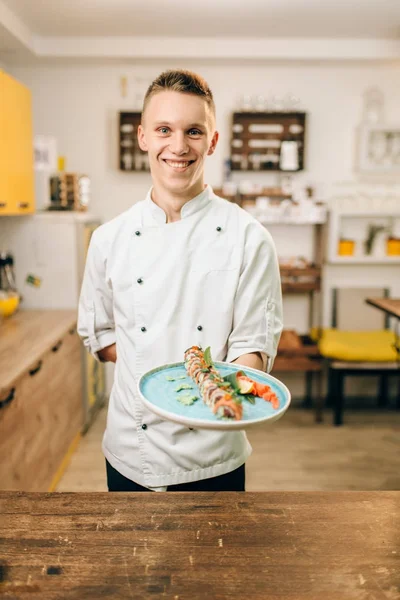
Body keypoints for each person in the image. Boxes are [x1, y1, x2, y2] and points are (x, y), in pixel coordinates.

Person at [77, 69, 283, 493]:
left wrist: (212, 395)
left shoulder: (249, 238)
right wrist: (154, 372)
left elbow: (252, 349)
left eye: (193, 131)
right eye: (164, 129)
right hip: (132, 448)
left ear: (212, 141)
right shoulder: (108, 239)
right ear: (143, 137)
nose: (178, 146)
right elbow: (100, 335)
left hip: (214, 453)